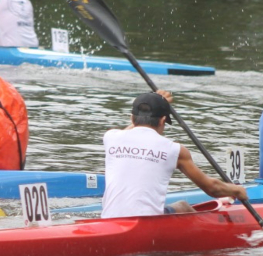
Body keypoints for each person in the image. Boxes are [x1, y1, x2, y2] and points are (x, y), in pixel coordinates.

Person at [102, 91, 248, 219]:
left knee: (178, 206)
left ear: (132, 118)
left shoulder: (111, 137)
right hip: (148, 226)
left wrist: (150, 103)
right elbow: (213, 189)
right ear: (163, 120)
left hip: (108, 221)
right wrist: (237, 190)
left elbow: (131, 129)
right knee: (183, 206)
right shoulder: (175, 150)